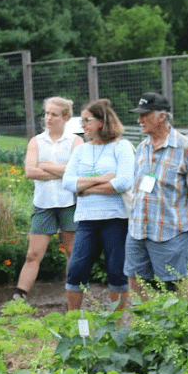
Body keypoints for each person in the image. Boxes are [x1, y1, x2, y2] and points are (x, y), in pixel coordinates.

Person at [125, 92, 188, 293]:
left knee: (176, 282)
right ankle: (146, 322)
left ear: (162, 116)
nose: (139, 120)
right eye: (139, 115)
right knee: (135, 279)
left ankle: (185, 322)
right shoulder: (142, 147)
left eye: (145, 115)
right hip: (138, 228)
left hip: (170, 230)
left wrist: (183, 224)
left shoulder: (185, 147)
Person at [61, 99, 136, 311]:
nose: (83, 125)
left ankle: (116, 325)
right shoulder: (81, 150)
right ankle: (73, 321)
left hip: (116, 219)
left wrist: (84, 188)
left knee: (116, 272)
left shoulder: (122, 147)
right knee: (76, 270)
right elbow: (68, 182)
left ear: (102, 122)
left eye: (87, 120)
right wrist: (102, 179)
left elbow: (122, 183)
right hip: (86, 219)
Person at [14, 97, 82, 301]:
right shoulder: (36, 141)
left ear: (66, 117)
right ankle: (19, 297)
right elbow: (29, 172)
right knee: (33, 254)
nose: (48, 118)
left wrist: (46, 166)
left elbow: (77, 170)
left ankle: (74, 293)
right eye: (46, 113)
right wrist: (63, 171)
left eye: (53, 114)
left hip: (69, 203)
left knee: (72, 251)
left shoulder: (76, 141)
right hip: (43, 204)